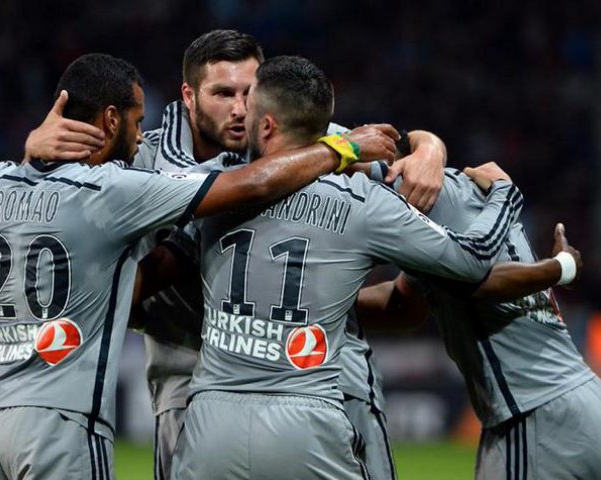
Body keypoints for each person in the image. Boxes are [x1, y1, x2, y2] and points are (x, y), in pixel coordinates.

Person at [25, 29, 448, 480]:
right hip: (189, 377)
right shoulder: (145, 158)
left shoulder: (300, 131)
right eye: (223, 93)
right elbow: (58, 211)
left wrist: (430, 148)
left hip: (320, 374)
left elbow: (404, 150)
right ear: (189, 96)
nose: (241, 108)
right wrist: (34, 153)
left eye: (250, 92)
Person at [157, 54, 523, 479]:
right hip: (306, 419)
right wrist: (504, 195)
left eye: (249, 107)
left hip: (211, 423)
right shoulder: (363, 201)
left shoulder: (215, 185)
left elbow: (160, 194)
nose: (239, 114)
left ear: (268, 126)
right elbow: (473, 261)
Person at [356, 161, 601, 479]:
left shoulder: (442, 199)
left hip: (534, 415)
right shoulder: (477, 205)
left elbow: (475, 281)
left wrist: (560, 267)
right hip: (573, 399)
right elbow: (406, 303)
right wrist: (324, 304)